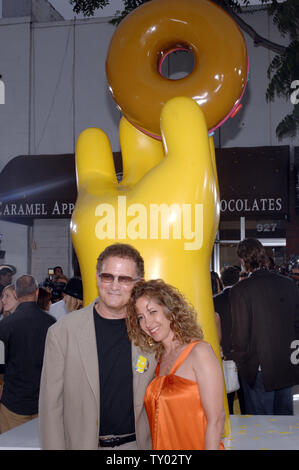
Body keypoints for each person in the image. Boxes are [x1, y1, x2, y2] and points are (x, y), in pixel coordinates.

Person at [39, 243, 157, 450]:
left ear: (139, 283)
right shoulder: (63, 332)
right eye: (107, 276)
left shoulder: (151, 331)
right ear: (97, 277)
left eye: (124, 279)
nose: (114, 285)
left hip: (137, 446)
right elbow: (51, 407)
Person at [126, 279, 225, 450]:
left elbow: (216, 420)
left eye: (152, 312)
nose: (147, 323)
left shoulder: (199, 352)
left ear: (169, 310)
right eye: (141, 317)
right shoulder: (158, 359)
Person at [230, 238, 299, 415]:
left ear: (243, 261)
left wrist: (239, 361)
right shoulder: (289, 284)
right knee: (285, 426)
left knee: (260, 429)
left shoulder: (240, 290)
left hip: (258, 367)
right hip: (286, 364)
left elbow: (240, 333)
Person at [0, 275, 56, 433]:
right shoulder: (51, 323)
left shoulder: (5, 325)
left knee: (11, 445)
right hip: (42, 402)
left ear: (16, 294)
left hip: (13, 402)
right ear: (37, 293)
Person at [213, 266, 245, 414]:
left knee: (227, 399)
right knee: (246, 400)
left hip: (225, 357)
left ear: (222, 281)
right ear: (238, 279)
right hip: (245, 356)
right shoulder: (244, 298)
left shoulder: (214, 301)